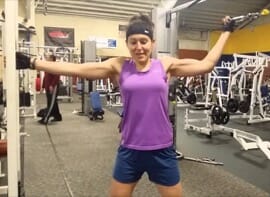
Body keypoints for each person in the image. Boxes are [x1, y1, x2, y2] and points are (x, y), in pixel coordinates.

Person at [16, 13, 235, 197]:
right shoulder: (119, 66)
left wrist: (226, 32)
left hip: (162, 149)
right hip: (130, 149)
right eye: (133, 42)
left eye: (144, 41)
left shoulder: (165, 65)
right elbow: (78, 69)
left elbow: (206, 64)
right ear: (127, 43)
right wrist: (32, 62)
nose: (139, 47)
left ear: (152, 43)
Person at [38, 54, 62, 124]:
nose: (47, 59)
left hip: (53, 87)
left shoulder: (55, 66)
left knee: (50, 103)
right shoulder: (48, 66)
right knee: (53, 102)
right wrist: (42, 87)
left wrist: (52, 85)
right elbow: (45, 77)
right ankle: (58, 116)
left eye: (48, 58)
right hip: (48, 87)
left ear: (52, 59)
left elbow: (57, 77)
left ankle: (45, 119)